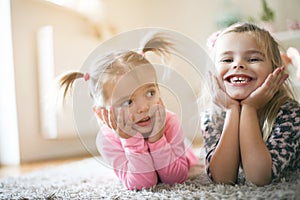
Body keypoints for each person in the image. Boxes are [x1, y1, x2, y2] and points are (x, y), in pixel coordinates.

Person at [58, 32, 198, 190]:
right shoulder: (107, 140)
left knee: (187, 152)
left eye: (150, 93)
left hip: (183, 153)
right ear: (102, 113)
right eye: (128, 101)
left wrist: (157, 139)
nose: (144, 107)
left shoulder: (170, 122)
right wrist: (131, 141)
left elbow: (175, 178)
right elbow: (144, 183)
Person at [201, 22, 300, 186]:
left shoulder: (291, 114)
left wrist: (249, 107)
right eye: (227, 59)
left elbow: (258, 177)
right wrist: (232, 109)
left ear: (274, 70)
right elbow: (222, 178)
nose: (238, 64)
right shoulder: (212, 115)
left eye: (253, 59)